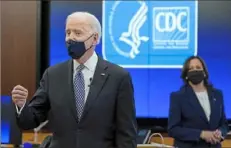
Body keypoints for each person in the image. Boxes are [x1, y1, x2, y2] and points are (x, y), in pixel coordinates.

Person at [11, 12, 137, 148]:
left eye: (77, 33)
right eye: (68, 32)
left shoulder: (118, 77)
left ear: (95, 39)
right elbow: (31, 120)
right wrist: (21, 105)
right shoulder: (53, 74)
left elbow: (126, 134)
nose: (70, 38)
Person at [168, 56, 229, 148]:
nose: (195, 70)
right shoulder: (177, 97)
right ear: (186, 75)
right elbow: (173, 129)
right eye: (191, 69)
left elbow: (224, 124)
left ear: (204, 72)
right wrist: (202, 134)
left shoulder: (217, 94)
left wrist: (220, 133)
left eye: (198, 67)